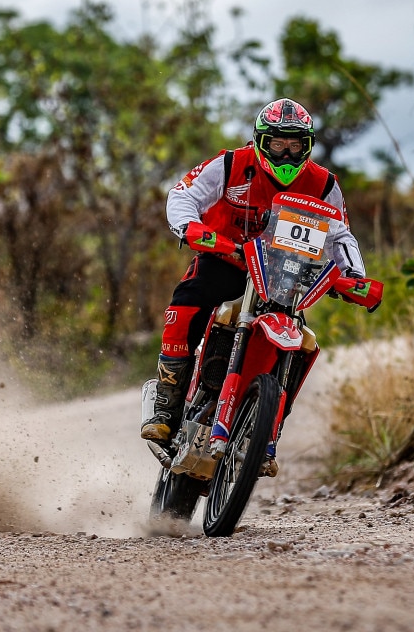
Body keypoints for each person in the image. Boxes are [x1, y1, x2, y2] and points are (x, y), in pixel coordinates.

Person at [140, 98, 367, 465]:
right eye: (278, 143)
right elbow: (183, 194)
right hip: (226, 259)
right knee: (186, 306)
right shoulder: (231, 164)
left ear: (308, 146)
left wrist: (354, 275)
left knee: (302, 343)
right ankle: (166, 407)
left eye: (296, 145)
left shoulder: (324, 184)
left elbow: (340, 236)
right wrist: (189, 226)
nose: (287, 153)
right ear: (261, 141)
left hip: (285, 276)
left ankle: (265, 431)